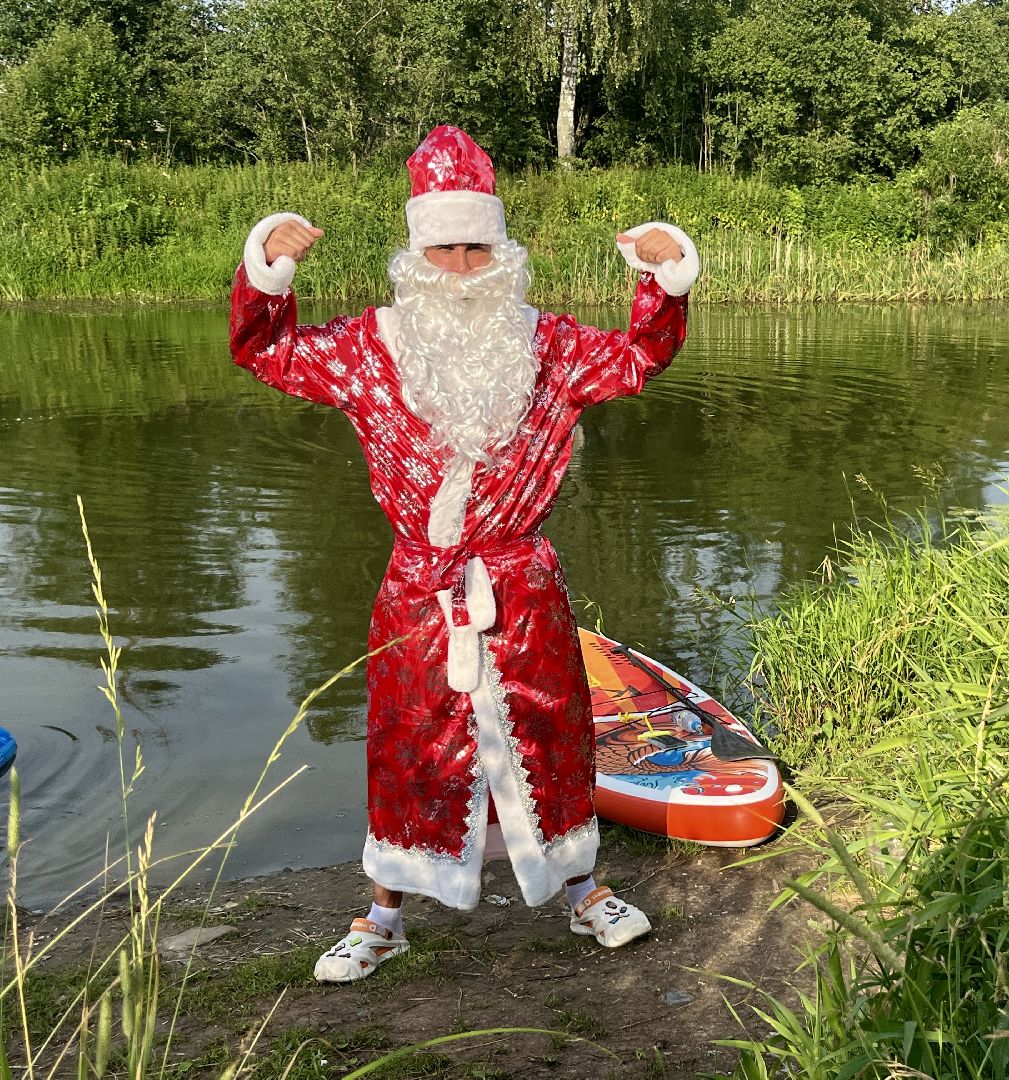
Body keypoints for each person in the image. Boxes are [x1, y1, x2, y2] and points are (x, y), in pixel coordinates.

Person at [229, 125, 698, 982]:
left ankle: (584, 892)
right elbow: (267, 351)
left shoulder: (548, 346)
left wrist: (660, 279)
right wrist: (268, 264)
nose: (458, 265)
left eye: (475, 246)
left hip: (521, 577)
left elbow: (639, 358)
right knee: (408, 738)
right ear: (415, 251)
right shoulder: (370, 347)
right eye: (442, 247)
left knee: (552, 730)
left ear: (501, 248)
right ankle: (383, 914)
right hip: (418, 582)